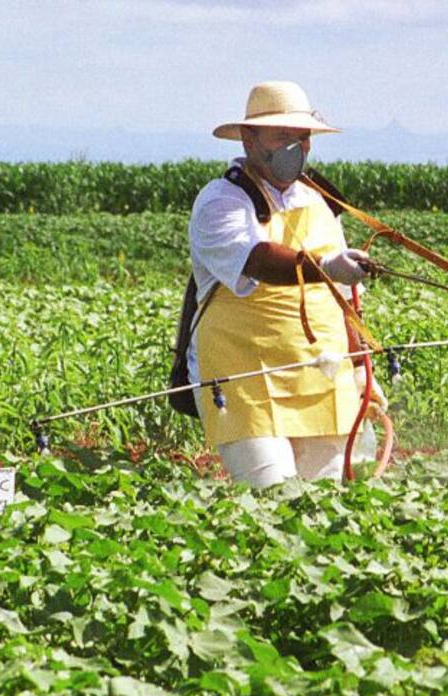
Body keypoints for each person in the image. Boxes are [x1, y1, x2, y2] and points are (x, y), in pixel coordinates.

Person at [187, 81, 385, 488]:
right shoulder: (221, 202)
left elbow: (346, 299)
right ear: (249, 137)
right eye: (281, 136)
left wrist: (361, 368)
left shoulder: (318, 203)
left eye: (302, 137)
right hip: (246, 381)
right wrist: (326, 266)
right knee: (276, 498)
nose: (294, 147)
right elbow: (258, 260)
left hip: (323, 378)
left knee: (337, 502)